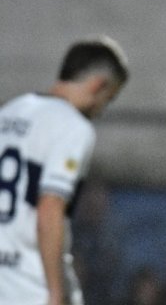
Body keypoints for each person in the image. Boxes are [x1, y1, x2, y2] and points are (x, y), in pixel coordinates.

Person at [0, 35, 128, 305]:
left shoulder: (10, 112)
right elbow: (50, 207)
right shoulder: (72, 125)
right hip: (29, 283)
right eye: (110, 97)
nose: (104, 107)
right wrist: (54, 292)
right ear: (98, 85)